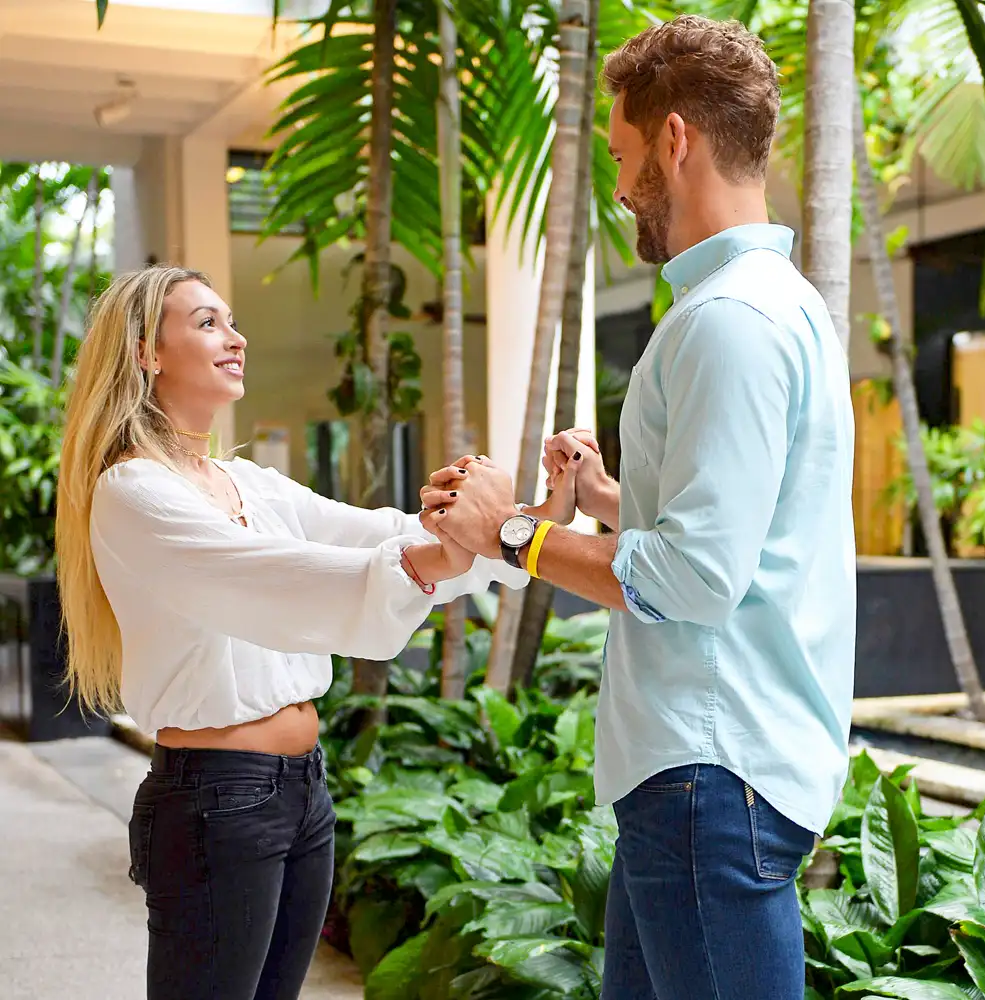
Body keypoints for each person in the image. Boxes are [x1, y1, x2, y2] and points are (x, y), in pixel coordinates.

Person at [420, 15, 856, 1000]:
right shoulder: (770, 304)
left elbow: (696, 579)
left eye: (621, 156)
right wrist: (619, 498)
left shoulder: (726, 322)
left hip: (709, 773)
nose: (617, 187)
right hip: (704, 776)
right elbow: (752, 530)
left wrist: (512, 531)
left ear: (673, 141)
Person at [54, 265, 576, 1000]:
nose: (236, 339)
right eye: (207, 323)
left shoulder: (249, 484)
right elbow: (274, 578)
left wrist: (516, 522)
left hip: (302, 791)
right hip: (216, 800)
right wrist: (439, 549)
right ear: (147, 353)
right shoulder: (133, 490)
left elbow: (375, 533)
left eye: (232, 321)